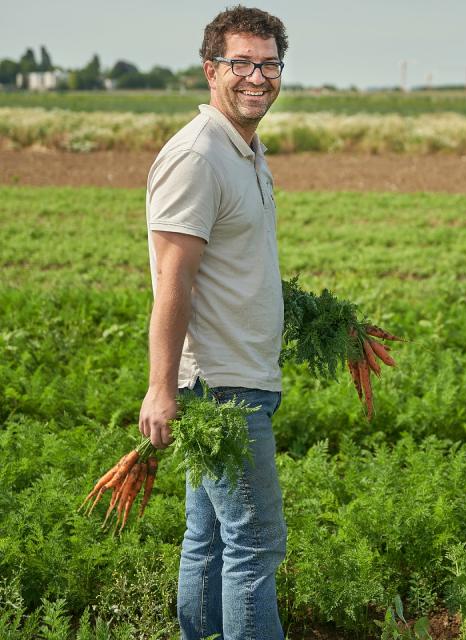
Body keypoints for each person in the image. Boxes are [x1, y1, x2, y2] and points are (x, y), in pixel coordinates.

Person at [138, 6, 289, 639]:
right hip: (221, 387)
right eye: (242, 63)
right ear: (211, 70)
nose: (258, 76)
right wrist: (161, 387)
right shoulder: (198, 156)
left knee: (210, 537)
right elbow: (175, 280)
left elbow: (234, 263)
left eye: (270, 63)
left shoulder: (245, 151)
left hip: (240, 376)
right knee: (255, 542)